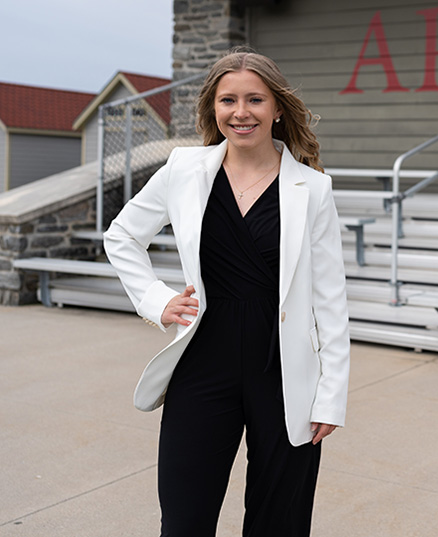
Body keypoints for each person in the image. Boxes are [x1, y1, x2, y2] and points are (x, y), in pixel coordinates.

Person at [103, 48, 350, 537]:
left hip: (284, 372)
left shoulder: (312, 188)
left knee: (280, 522)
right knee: (184, 519)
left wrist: (331, 397)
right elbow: (122, 236)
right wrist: (156, 301)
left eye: (255, 100)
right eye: (228, 100)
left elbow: (331, 300)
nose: (241, 112)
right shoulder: (183, 169)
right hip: (202, 365)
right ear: (213, 109)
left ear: (277, 107)